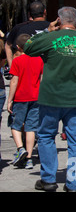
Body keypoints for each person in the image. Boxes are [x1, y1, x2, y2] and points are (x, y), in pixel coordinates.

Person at [24, 6, 76, 192]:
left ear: (59, 21)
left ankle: (48, 179)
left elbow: (27, 47)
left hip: (50, 98)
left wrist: (47, 30)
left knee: (46, 137)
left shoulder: (50, 38)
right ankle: (73, 183)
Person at [6, 34, 43, 169]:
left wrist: (10, 99)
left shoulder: (17, 61)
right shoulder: (39, 60)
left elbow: (14, 81)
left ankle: (20, 149)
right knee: (31, 127)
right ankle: (29, 159)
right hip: (36, 97)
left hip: (21, 97)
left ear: (18, 47)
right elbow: (41, 77)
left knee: (15, 125)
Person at [5, 1, 50, 67]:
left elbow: (8, 46)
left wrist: (12, 68)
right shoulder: (54, 28)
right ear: (45, 12)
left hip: (28, 71)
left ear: (29, 14)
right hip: (51, 71)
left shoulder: (20, 28)